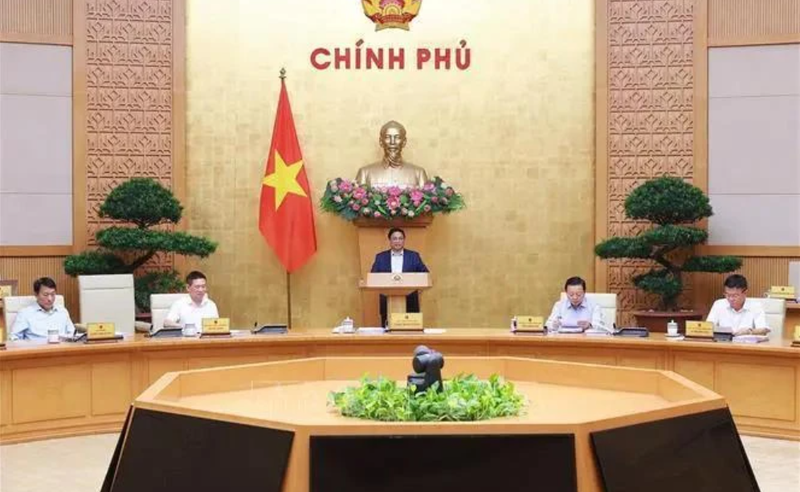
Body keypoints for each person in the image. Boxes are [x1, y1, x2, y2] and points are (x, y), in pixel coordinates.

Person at [370, 227, 429, 327]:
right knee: (388, 332)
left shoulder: (414, 256)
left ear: (404, 240)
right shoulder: (380, 257)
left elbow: (425, 274)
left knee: (411, 332)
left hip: (411, 300)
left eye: (400, 238)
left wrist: (419, 287)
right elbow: (373, 277)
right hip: (387, 301)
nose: (398, 241)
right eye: (395, 238)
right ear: (390, 240)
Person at [355, 120, 429, 188]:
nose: (392, 142)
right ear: (381, 142)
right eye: (387, 137)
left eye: (397, 137)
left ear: (404, 142)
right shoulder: (365, 173)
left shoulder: (418, 173)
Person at [10, 277, 75, 340]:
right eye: (45, 295)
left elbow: (72, 334)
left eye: (53, 294)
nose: (50, 299)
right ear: (36, 294)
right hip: (36, 349)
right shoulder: (25, 314)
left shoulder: (62, 311)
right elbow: (14, 338)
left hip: (62, 349)